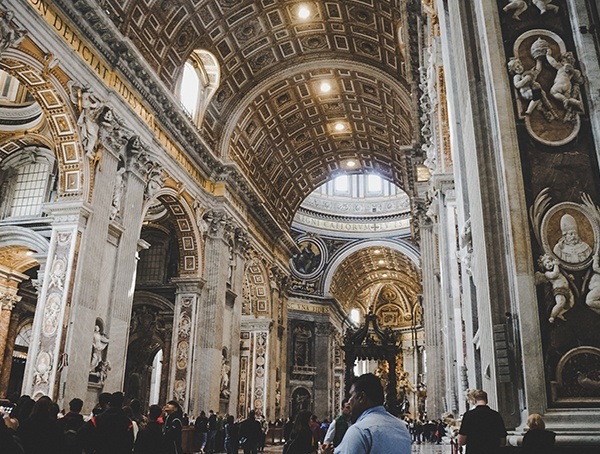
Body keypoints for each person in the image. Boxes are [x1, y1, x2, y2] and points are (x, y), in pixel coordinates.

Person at [323, 373, 411, 454]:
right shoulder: (402, 428)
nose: (349, 401)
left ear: (361, 397)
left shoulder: (360, 430)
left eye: (351, 396)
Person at [457, 390, 507, 454]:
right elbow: (503, 441)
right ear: (487, 400)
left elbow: (461, 441)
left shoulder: (468, 415)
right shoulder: (496, 415)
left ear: (474, 400)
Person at [536, 254, 574, 323]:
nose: (548, 265)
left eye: (548, 262)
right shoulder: (547, 273)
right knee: (560, 303)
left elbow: (564, 277)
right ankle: (552, 316)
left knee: (571, 303)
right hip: (559, 290)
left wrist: (570, 277)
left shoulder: (559, 270)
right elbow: (555, 274)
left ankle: (559, 313)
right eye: (546, 265)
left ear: (552, 261)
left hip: (567, 290)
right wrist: (556, 265)